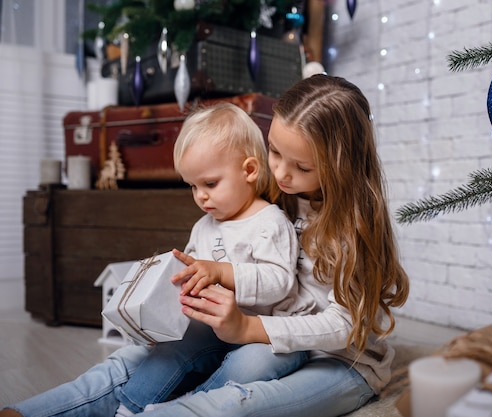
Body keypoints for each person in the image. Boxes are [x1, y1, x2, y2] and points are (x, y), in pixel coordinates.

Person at [0, 74, 410, 417]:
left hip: (339, 360)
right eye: (274, 152)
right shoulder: (273, 198)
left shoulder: (354, 227)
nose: (280, 172)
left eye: (300, 167)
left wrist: (249, 328)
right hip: (257, 332)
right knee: (142, 358)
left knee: (233, 405)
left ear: (340, 166)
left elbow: (342, 326)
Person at [113, 102, 309, 415]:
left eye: (210, 184)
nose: (200, 196)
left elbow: (279, 283)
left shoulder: (270, 222)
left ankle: (189, 405)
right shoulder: (204, 226)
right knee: (171, 351)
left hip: (264, 333)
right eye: (193, 186)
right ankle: (129, 406)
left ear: (248, 171)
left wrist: (220, 272)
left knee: (248, 367)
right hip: (214, 329)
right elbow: (188, 279)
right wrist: (163, 320)